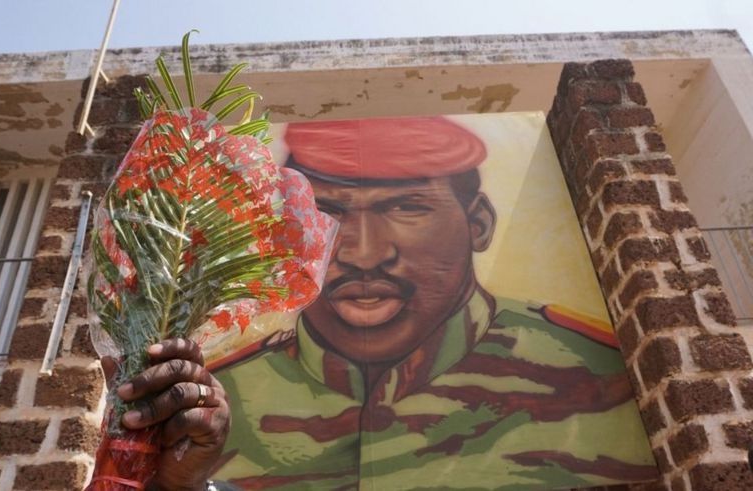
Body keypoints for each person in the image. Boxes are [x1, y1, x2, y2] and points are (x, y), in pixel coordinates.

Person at [109, 116, 656, 490]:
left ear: (479, 224)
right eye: (326, 213)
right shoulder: (206, 412)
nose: (364, 253)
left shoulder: (604, 379)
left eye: (406, 207)